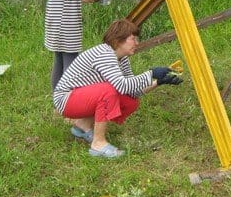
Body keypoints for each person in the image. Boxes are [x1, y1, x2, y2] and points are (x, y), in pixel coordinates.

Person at [53, 19, 183, 158]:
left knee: (130, 101)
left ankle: (82, 126)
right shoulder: (105, 53)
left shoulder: (122, 57)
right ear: (119, 40)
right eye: (133, 39)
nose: (137, 43)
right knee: (108, 91)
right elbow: (121, 85)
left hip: (80, 97)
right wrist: (151, 73)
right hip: (65, 99)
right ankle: (98, 144)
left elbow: (131, 91)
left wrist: (157, 82)